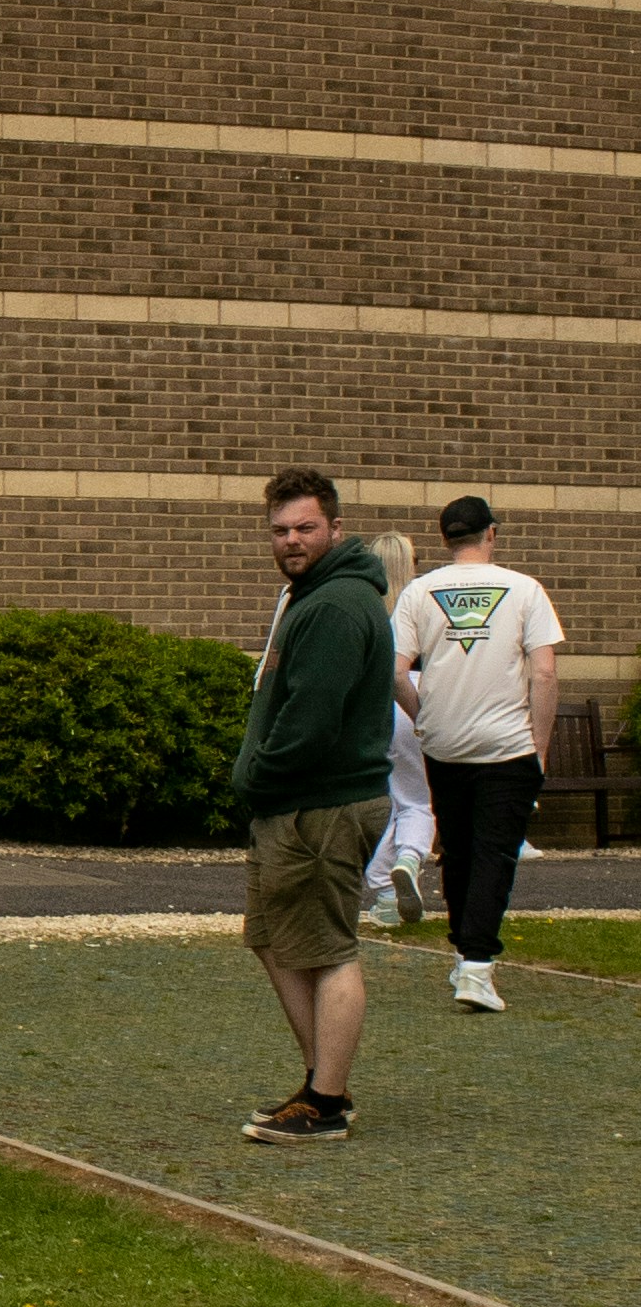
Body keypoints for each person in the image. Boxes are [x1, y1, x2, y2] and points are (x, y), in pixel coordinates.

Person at [225, 469, 398, 1143]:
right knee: (273, 941)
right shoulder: (313, 596)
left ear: (332, 527)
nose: (290, 540)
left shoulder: (331, 606)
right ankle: (322, 1083)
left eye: (303, 528)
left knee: (327, 951)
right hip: (297, 805)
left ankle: (324, 1104)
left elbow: (310, 720)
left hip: (320, 807)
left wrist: (259, 778)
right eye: (279, 530)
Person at [395, 495, 564, 1015]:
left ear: (445, 539)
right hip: (508, 746)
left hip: (445, 745)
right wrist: (539, 748)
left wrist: (425, 717)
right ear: (491, 533)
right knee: (495, 853)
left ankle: (464, 948)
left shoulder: (419, 591)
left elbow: (396, 673)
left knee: (461, 850)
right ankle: (476, 966)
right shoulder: (525, 589)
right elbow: (544, 673)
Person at [359, 534, 436, 938]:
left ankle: (385, 885)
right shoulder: (421, 603)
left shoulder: (365, 604)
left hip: (375, 704)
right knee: (419, 801)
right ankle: (403, 862)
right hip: (413, 694)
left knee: (394, 800)